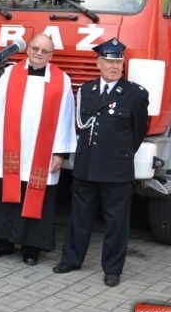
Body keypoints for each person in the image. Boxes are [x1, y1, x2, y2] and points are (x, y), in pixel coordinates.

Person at [53, 37, 149, 287]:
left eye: (118, 61)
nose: (114, 66)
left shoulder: (135, 94)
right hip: (86, 165)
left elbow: (138, 134)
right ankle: (71, 260)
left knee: (116, 222)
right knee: (79, 217)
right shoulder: (86, 90)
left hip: (116, 169)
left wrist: (120, 154)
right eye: (108, 61)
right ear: (99, 63)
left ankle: (113, 269)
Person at [0, 33, 76, 266]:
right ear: (28, 49)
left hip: (41, 152)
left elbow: (66, 118)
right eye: (35, 48)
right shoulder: (10, 74)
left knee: (37, 195)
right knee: (5, 195)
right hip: (10, 149)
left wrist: (60, 153)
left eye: (45, 50)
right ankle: (2, 243)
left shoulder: (62, 80)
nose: (39, 53)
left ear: (51, 55)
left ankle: (31, 249)